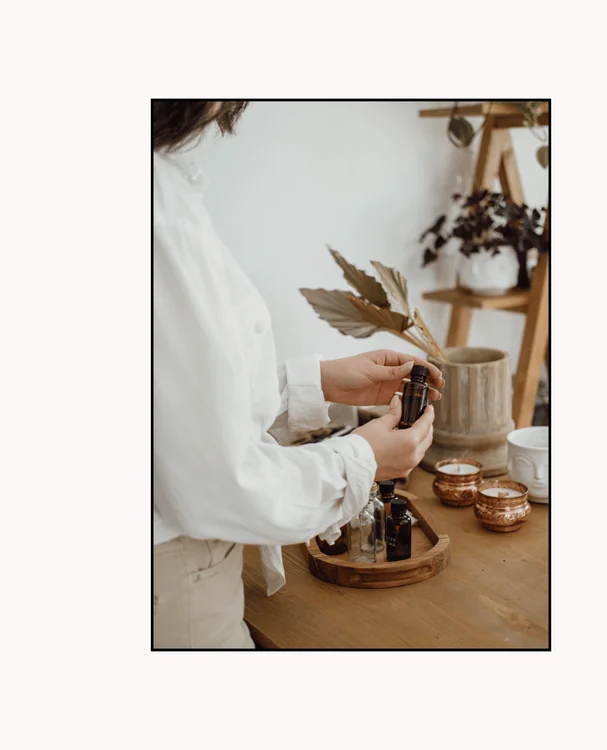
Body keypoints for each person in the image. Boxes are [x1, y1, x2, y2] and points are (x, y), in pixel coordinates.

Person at [153, 100, 443, 648]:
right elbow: (220, 481)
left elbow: (174, 402)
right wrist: (362, 459)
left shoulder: (164, 187)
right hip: (173, 590)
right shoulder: (158, 216)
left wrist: (317, 382)